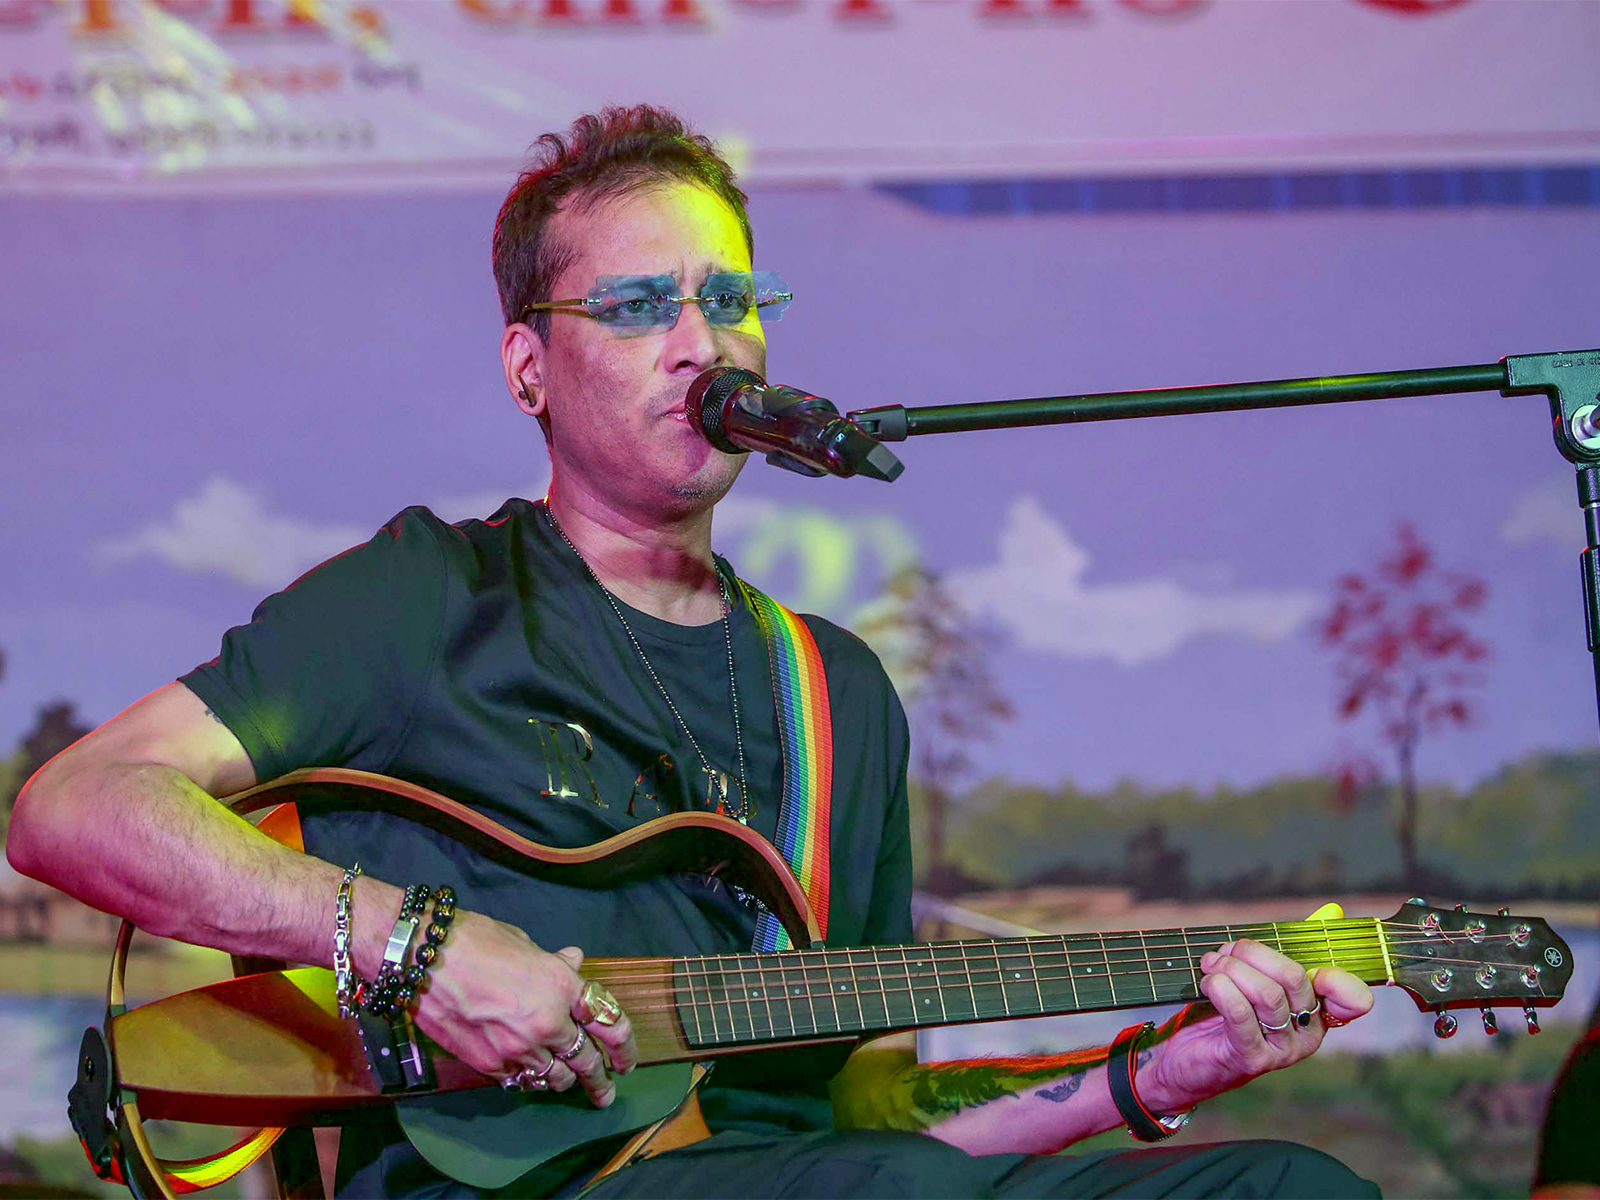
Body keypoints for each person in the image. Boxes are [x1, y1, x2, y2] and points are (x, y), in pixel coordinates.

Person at [7, 105, 1378, 1198]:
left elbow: (878, 1123)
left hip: (817, 1180)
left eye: (729, 297)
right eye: (637, 306)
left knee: (1286, 1185)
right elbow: (73, 807)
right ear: (528, 369)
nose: (700, 342)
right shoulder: (429, 595)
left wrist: (1148, 1079)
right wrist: (418, 947)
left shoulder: (836, 694)